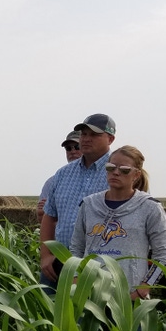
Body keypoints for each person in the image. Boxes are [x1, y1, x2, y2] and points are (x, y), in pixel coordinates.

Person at [70, 145, 166, 300]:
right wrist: (76, 279)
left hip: (129, 298)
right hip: (90, 297)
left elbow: (163, 255)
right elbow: (76, 248)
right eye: (111, 167)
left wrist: (142, 290)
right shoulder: (88, 205)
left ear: (136, 175)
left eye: (124, 170)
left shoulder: (150, 208)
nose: (116, 173)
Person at [40, 114, 116, 289]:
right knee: (51, 313)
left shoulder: (119, 173)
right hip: (59, 262)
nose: (86, 139)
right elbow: (49, 217)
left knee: (94, 315)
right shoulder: (63, 174)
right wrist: (45, 255)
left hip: (100, 265)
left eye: (94, 135)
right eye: (83, 134)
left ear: (110, 139)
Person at [37, 130, 82, 222]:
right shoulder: (53, 182)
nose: (72, 151)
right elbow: (41, 218)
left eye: (77, 147)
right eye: (68, 148)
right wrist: (42, 213)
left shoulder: (102, 177)